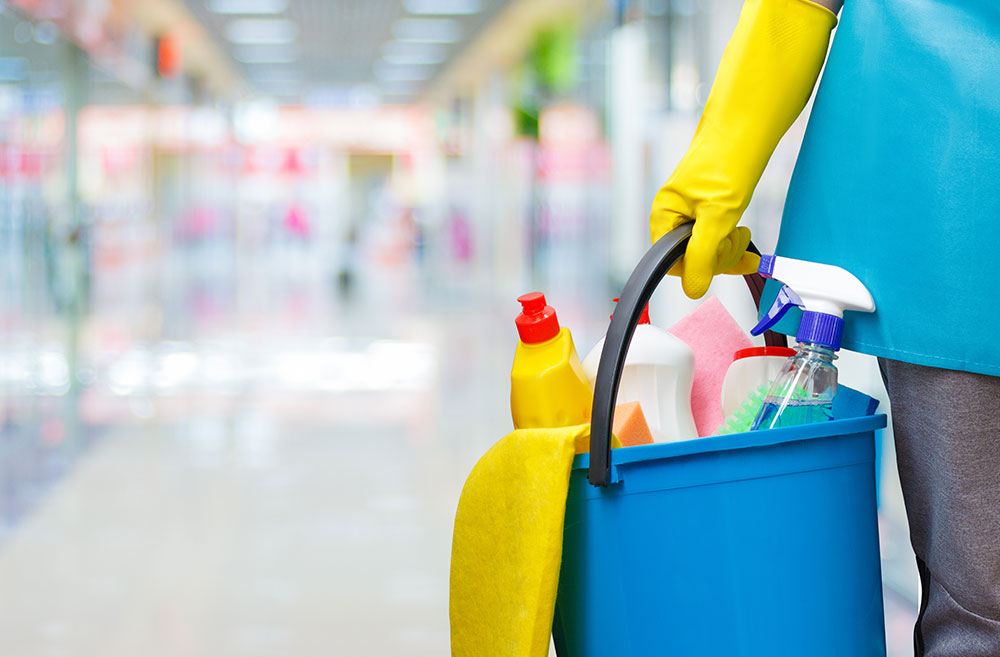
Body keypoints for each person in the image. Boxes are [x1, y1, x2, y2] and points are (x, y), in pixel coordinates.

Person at [648, 0, 1000, 654]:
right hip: (952, 205)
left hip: (942, 187)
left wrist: (724, 156)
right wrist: (722, 159)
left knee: (984, 609)